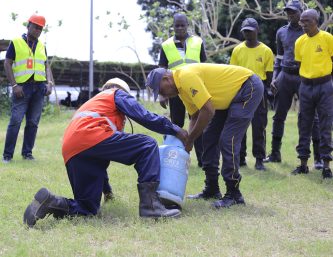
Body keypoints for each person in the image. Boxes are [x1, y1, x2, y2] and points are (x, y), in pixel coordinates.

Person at [23, 78, 188, 227]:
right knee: (147, 145)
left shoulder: (94, 104)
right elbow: (144, 116)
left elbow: (101, 155)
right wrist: (175, 129)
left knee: (88, 209)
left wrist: (107, 191)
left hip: (72, 148)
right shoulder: (117, 94)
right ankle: (151, 207)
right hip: (90, 137)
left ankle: (50, 201)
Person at [146, 64, 264, 208]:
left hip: (247, 86)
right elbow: (195, 116)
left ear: (166, 79)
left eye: (161, 90)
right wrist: (186, 142)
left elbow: (207, 110)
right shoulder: (182, 89)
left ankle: (234, 194)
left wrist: (190, 139)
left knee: (228, 140)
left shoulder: (186, 76)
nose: (163, 95)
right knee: (208, 138)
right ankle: (212, 189)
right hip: (226, 98)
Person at [264, 0, 322, 169]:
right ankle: (275, 153)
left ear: (301, 13)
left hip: (304, 77)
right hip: (285, 75)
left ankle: (318, 158)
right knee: (278, 116)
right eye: (288, 12)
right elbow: (279, 58)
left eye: (294, 12)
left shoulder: (309, 33)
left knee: (311, 117)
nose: (291, 15)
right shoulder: (281, 32)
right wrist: (275, 77)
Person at [2, 14, 53, 163]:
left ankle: (27, 153)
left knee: (33, 122)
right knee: (16, 121)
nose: (38, 30)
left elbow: (46, 65)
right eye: (35, 26)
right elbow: (7, 63)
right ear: (28, 25)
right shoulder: (16, 42)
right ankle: (7, 155)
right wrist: (14, 85)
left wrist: (49, 82)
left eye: (40, 28)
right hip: (22, 88)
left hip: (39, 88)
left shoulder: (42, 46)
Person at [158, 13, 207, 167]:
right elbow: (162, 70)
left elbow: (205, 66)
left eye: (182, 25)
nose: (179, 28)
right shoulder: (166, 45)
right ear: (173, 26)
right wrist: (162, 94)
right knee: (176, 125)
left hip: (195, 89)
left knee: (199, 122)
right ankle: (177, 158)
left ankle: (202, 160)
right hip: (175, 90)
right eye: (176, 25)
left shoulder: (198, 42)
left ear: (187, 25)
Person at [292, 9, 333, 178]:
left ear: (316, 21)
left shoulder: (327, 39)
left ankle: (326, 166)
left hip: (324, 85)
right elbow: (300, 64)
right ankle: (303, 164)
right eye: (301, 21)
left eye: (306, 21)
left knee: (325, 124)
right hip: (306, 86)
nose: (303, 24)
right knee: (304, 124)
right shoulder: (299, 42)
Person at [230, 18, 274, 171]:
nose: (248, 33)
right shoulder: (238, 50)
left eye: (250, 30)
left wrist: (263, 90)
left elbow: (269, 75)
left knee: (259, 126)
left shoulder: (266, 51)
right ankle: (241, 158)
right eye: (245, 31)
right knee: (240, 124)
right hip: (241, 90)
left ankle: (259, 159)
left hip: (259, 90)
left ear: (257, 30)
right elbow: (232, 73)